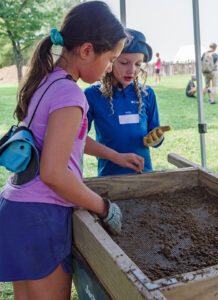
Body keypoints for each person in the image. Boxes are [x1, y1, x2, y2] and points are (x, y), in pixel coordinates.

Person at [0, 2, 141, 299]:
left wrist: (114, 156)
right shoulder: (69, 93)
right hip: (42, 215)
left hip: (18, 208)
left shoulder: (48, 80)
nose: (109, 67)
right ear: (87, 50)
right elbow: (53, 173)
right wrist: (102, 207)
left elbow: (65, 141)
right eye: (111, 58)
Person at [85, 29, 169, 176]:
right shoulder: (92, 95)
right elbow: (77, 139)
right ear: (111, 61)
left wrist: (156, 139)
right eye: (124, 63)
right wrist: (114, 156)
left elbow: (155, 132)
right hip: (110, 177)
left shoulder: (147, 94)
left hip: (143, 174)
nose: (132, 70)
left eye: (138, 64)